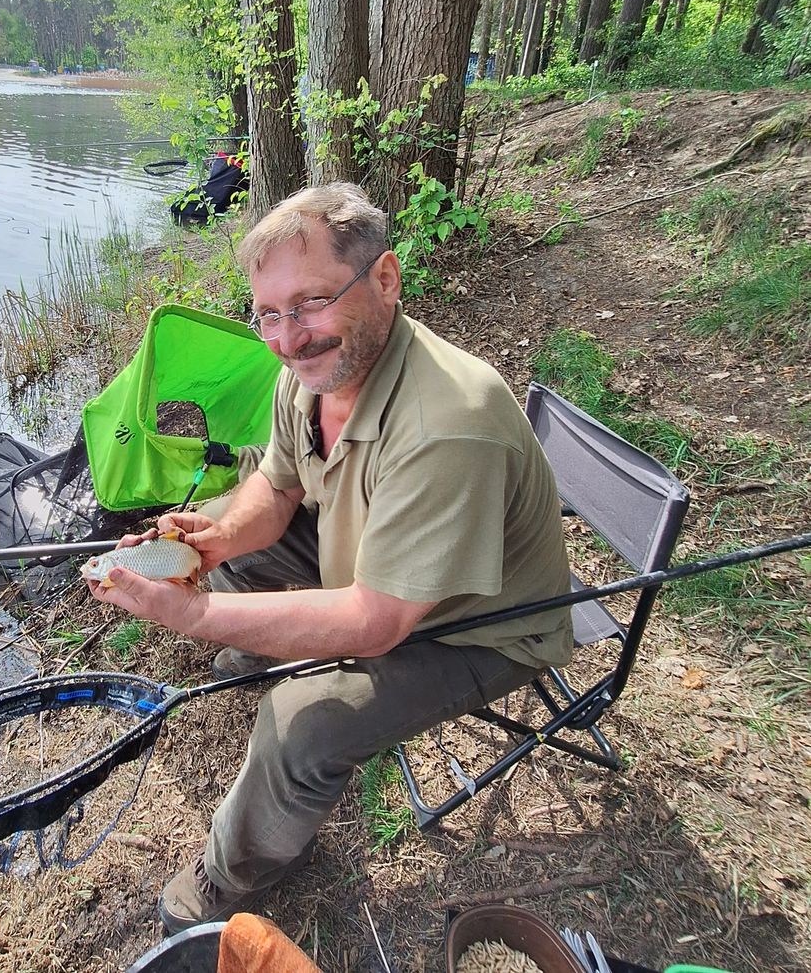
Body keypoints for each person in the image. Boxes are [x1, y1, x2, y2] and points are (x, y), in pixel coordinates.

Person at [84, 182, 573, 934]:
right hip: (379, 557)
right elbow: (275, 491)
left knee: (301, 722)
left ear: (384, 279)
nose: (288, 336)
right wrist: (212, 541)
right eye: (270, 313)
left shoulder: (449, 423)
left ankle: (234, 875)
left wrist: (199, 613)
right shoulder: (308, 375)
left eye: (310, 303)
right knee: (219, 535)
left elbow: (375, 622)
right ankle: (258, 642)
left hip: (483, 622)